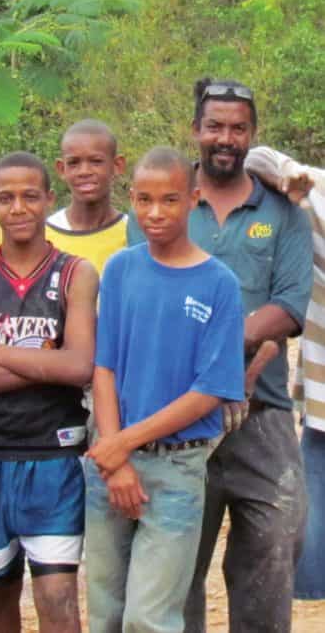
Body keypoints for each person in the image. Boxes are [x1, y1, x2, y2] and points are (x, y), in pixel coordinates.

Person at [127, 79, 313, 631]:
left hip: (263, 410)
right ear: (195, 131)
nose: (225, 138)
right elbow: (144, 297)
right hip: (176, 415)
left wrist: (219, 351)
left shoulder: (282, 212)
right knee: (176, 563)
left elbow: (287, 307)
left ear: (252, 136)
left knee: (278, 540)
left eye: (237, 128)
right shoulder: (164, 202)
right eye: (214, 126)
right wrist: (215, 361)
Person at [85, 146, 245, 632]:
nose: (156, 213)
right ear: (131, 198)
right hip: (110, 464)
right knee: (106, 613)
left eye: (170, 200)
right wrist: (115, 458)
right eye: (145, 199)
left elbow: (210, 391)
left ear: (193, 200)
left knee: (150, 618)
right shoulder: (120, 269)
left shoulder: (220, 284)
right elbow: (104, 367)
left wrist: (120, 445)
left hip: (176, 468)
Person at [0, 151, 99, 633]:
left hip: (55, 457)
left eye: (31, 196)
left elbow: (79, 366)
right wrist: (46, 362)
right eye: (6, 198)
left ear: (49, 199)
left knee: (57, 598)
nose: (19, 207)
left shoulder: (76, 273)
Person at [244, 147, 325, 600]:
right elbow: (255, 157)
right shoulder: (319, 194)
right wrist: (288, 175)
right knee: (310, 577)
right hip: (323, 421)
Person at [46, 119, 127, 276]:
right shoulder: (44, 237)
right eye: (74, 163)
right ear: (61, 169)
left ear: (117, 166)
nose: (84, 171)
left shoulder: (134, 234)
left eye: (96, 161)